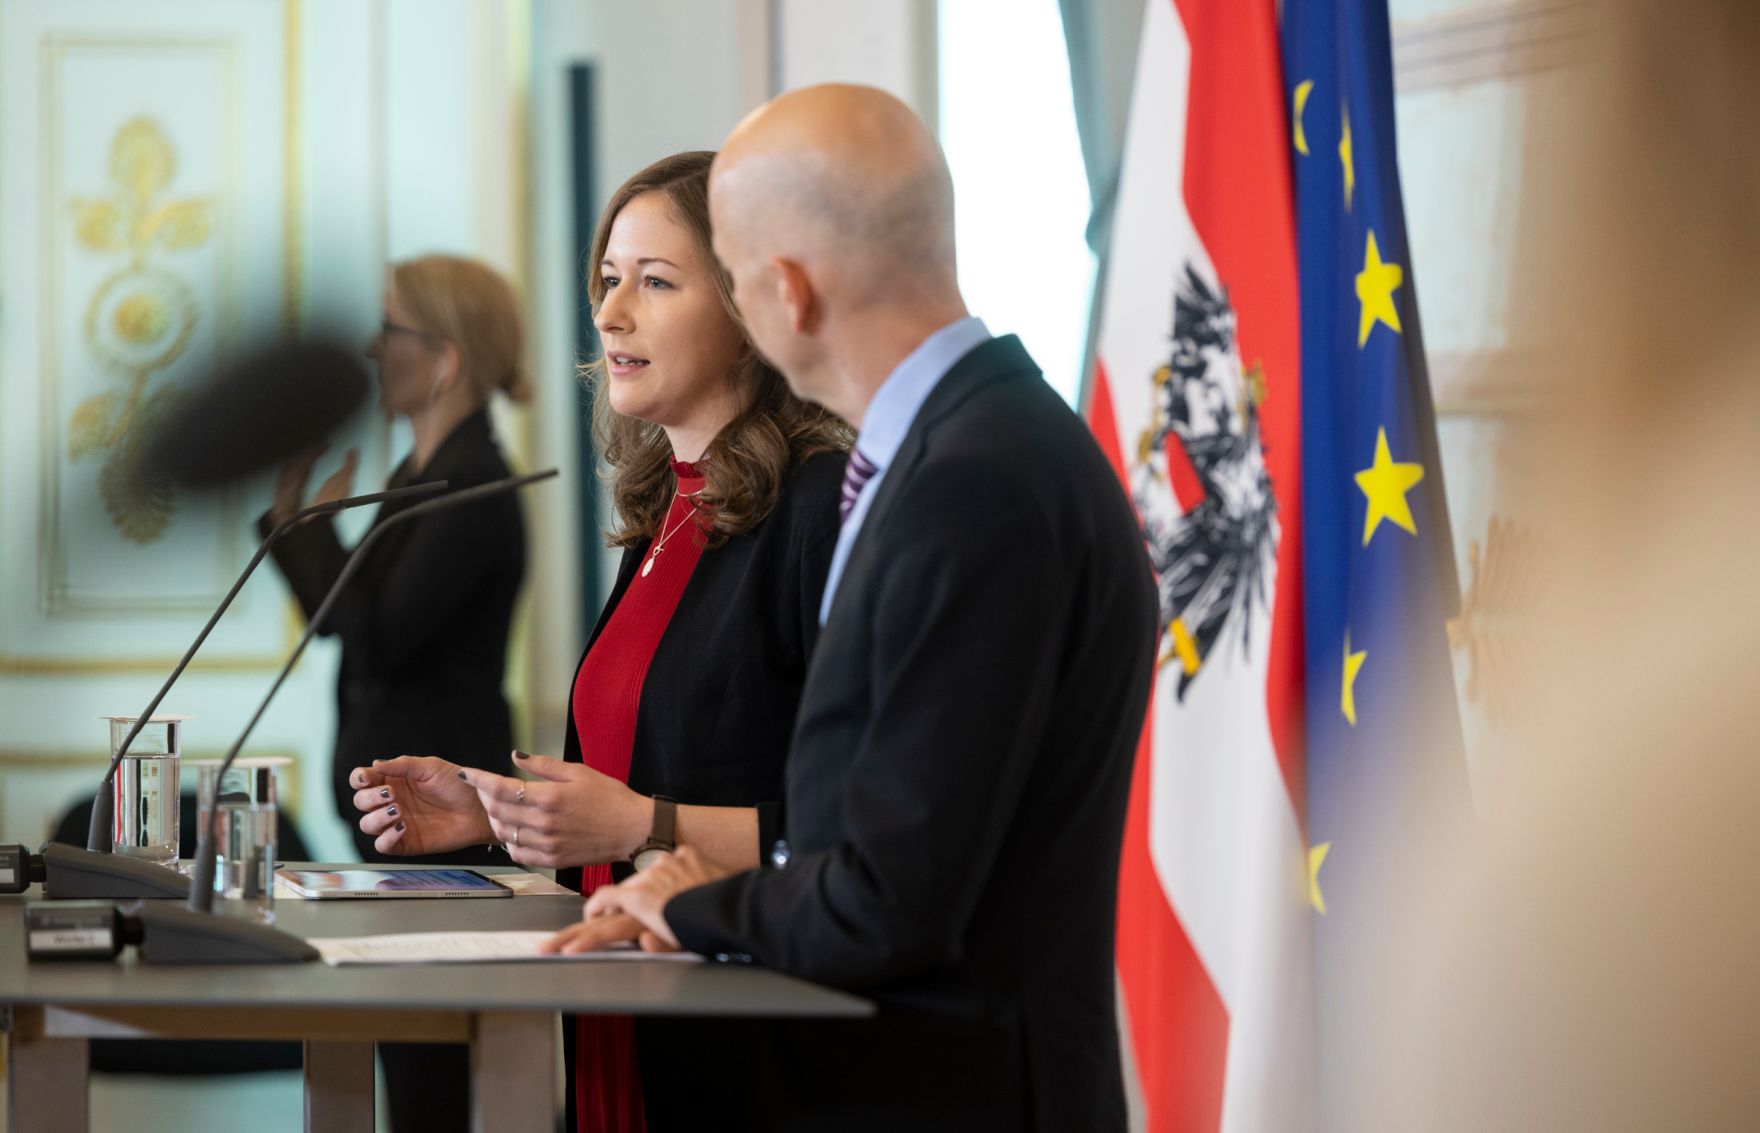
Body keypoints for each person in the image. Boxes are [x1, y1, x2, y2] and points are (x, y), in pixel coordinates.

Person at [552, 85, 1159, 1131]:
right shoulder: (964, 446)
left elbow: (892, 892)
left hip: (942, 1092)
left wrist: (685, 897)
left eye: (724, 277)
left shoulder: (975, 483)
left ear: (780, 291)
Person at [350, 151, 850, 1131]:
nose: (611, 313)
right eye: (607, 280)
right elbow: (639, 774)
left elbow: (833, 816)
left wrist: (633, 824)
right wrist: (500, 813)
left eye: (654, 282)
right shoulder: (669, 509)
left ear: (750, 308)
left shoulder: (815, 512)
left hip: (747, 1039)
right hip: (619, 1005)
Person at [262, 253, 530, 1133]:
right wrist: (303, 530)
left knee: (430, 1073)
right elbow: (346, 617)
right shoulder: (422, 477)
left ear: (445, 358)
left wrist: (307, 532)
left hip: (443, 815)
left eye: (391, 330)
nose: (372, 350)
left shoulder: (477, 486)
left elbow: (376, 631)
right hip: (398, 810)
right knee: (405, 1058)